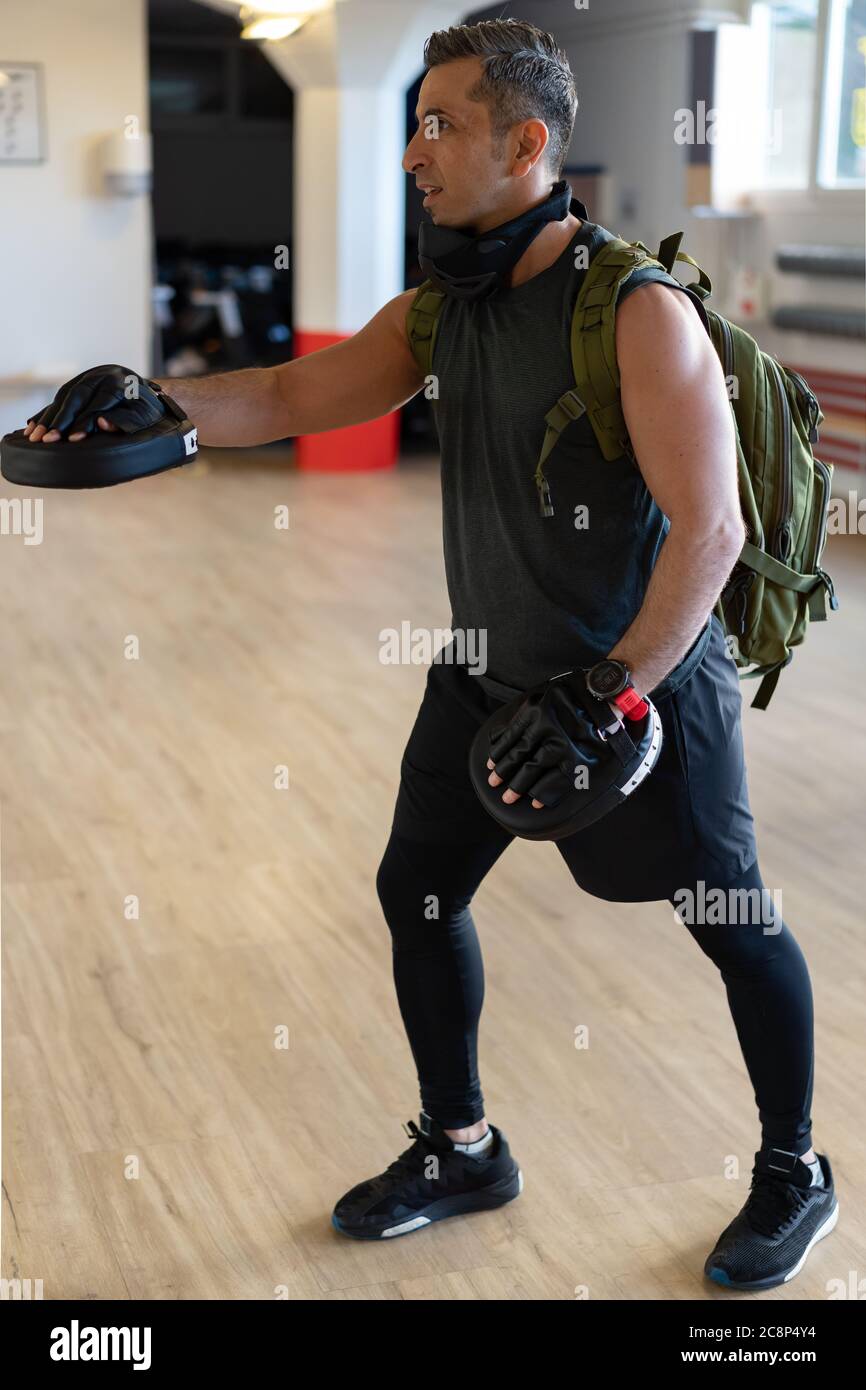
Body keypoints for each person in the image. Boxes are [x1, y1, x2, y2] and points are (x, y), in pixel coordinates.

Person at [23, 17, 836, 1293]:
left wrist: (610, 689)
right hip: (481, 681)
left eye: (439, 123)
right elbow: (296, 396)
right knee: (418, 894)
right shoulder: (441, 309)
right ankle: (462, 1146)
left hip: (631, 695)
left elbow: (714, 528)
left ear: (525, 141)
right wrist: (156, 402)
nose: (413, 152)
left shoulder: (633, 313)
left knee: (728, 922)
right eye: (413, 121)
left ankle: (793, 1166)